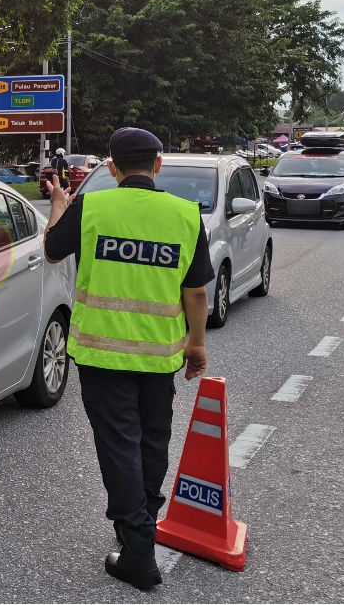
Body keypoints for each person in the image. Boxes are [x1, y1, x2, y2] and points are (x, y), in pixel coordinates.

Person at [43, 127, 212, 590]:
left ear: (113, 168)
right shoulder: (184, 214)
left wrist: (60, 200)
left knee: (119, 443)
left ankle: (138, 549)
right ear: (158, 166)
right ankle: (143, 523)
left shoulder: (93, 206)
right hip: (160, 356)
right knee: (153, 439)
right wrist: (196, 344)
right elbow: (196, 291)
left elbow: (52, 248)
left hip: (101, 353)